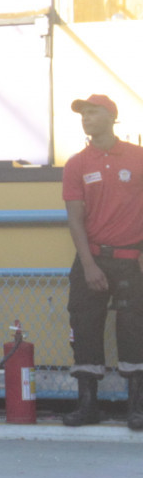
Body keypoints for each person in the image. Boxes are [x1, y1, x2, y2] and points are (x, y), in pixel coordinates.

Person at [59, 94, 143, 428]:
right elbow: (75, 219)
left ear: (112, 116)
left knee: (134, 329)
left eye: (93, 112)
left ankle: (135, 410)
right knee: (85, 327)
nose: (86, 118)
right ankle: (88, 406)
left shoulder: (138, 158)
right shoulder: (77, 163)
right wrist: (89, 265)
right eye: (83, 114)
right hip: (91, 258)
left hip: (130, 261)